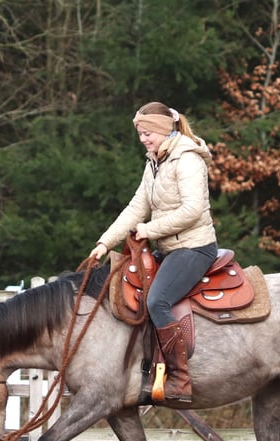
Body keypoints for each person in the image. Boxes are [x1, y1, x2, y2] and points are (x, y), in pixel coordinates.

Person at [89, 102, 218, 402]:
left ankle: (180, 380)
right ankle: (146, 369)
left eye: (147, 133)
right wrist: (105, 242)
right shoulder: (155, 161)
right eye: (140, 134)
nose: (143, 139)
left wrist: (150, 229)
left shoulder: (187, 160)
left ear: (162, 129)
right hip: (169, 247)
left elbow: (192, 209)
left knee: (158, 299)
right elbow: (137, 206)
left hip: (194, 247)